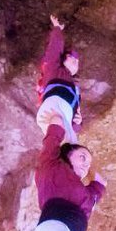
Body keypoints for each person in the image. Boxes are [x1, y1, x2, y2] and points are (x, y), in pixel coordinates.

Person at [36, 14, 82, 143]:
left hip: (54, 112)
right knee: (70, 143)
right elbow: (54, 50)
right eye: (71, 57)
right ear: (61, 61)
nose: (75, 61)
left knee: (66, 140)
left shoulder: (75, 90)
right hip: (56, 108)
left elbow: (76, 123)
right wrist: (57, 29)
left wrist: (77, 123)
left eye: (77, 61)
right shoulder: (54, 69)